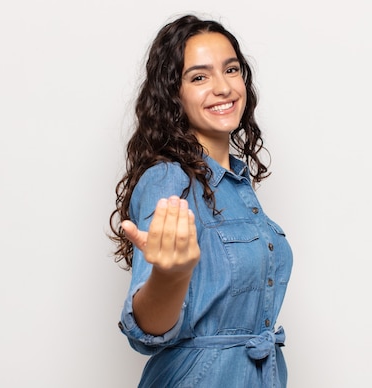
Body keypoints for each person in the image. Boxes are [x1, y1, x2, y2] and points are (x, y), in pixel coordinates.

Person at [109, 13, 294, 388]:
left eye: (231, 70)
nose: (223, 87)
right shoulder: (167, 179)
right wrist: (170, 274)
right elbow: (144, 330)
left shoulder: (237, 185)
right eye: (199, 76)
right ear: (173, 94)